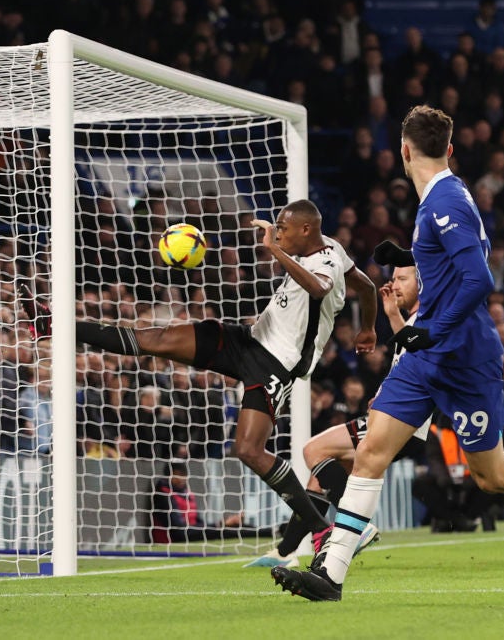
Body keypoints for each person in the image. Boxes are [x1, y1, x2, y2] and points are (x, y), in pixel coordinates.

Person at [272, 105, 504, 602]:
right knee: (371, 451)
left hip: (464, 356)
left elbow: (478, 280)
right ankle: (331, 574)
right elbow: (455, 269)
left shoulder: (445, 201)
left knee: (495, 476)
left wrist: (433, 329)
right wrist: (413, 279)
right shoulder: (441, 198)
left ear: (404, 151)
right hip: (425, 355)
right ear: (449, 149)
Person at [77, 199, 379, 549]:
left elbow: (320, 288)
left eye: (283, 228)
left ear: (306, 229)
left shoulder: (327, 260)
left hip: (276, 364)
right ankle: (62, 326)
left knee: (248, 450)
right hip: (249, 340)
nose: (277, 234)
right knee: (157, 339)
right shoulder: (334, 248)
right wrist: (368, 328)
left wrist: (275, 251)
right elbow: (367, 288)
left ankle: (320, 527)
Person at [245, 263, 429, 567]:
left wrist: (390, 395)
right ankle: (285, 552)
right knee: (320, 479)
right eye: (393, 277)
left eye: (402, 279)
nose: (394, 284)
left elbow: (425, 367)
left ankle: (357, 526)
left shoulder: (430, 318)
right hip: (400, 418)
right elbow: (408, 362)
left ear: (421, 284)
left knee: (313, 450)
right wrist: (393, 317)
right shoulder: (414, 321)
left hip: (400, 420)